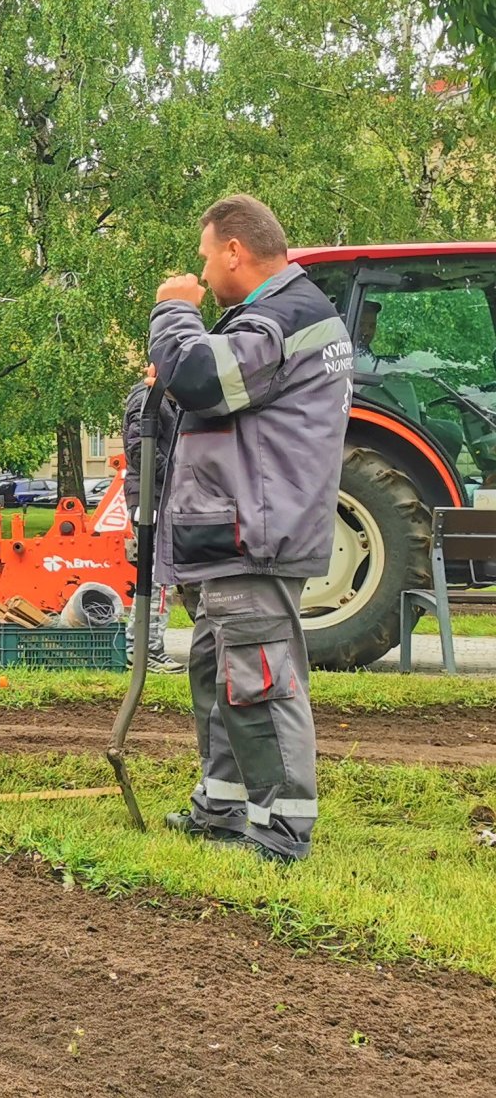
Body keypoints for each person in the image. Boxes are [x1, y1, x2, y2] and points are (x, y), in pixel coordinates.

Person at [148, 194, 352, 863]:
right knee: (220, 673)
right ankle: (225, 807)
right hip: (241, 533)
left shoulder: (280, 317)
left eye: (206, 260)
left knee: (257, 682)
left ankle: (282, 831)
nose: (202, 276)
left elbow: (203, 378)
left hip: (253, 538)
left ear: (235, 250)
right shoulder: (281, 318)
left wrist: (176, 312)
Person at [122, 367, 185, 674]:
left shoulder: (165, 399)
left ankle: (141, 647)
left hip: (156, 496)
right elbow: (139, 451)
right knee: (159, 579)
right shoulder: (148, 398)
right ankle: (147, 649)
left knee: (157, 578)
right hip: (152, 499)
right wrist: (179, 474)